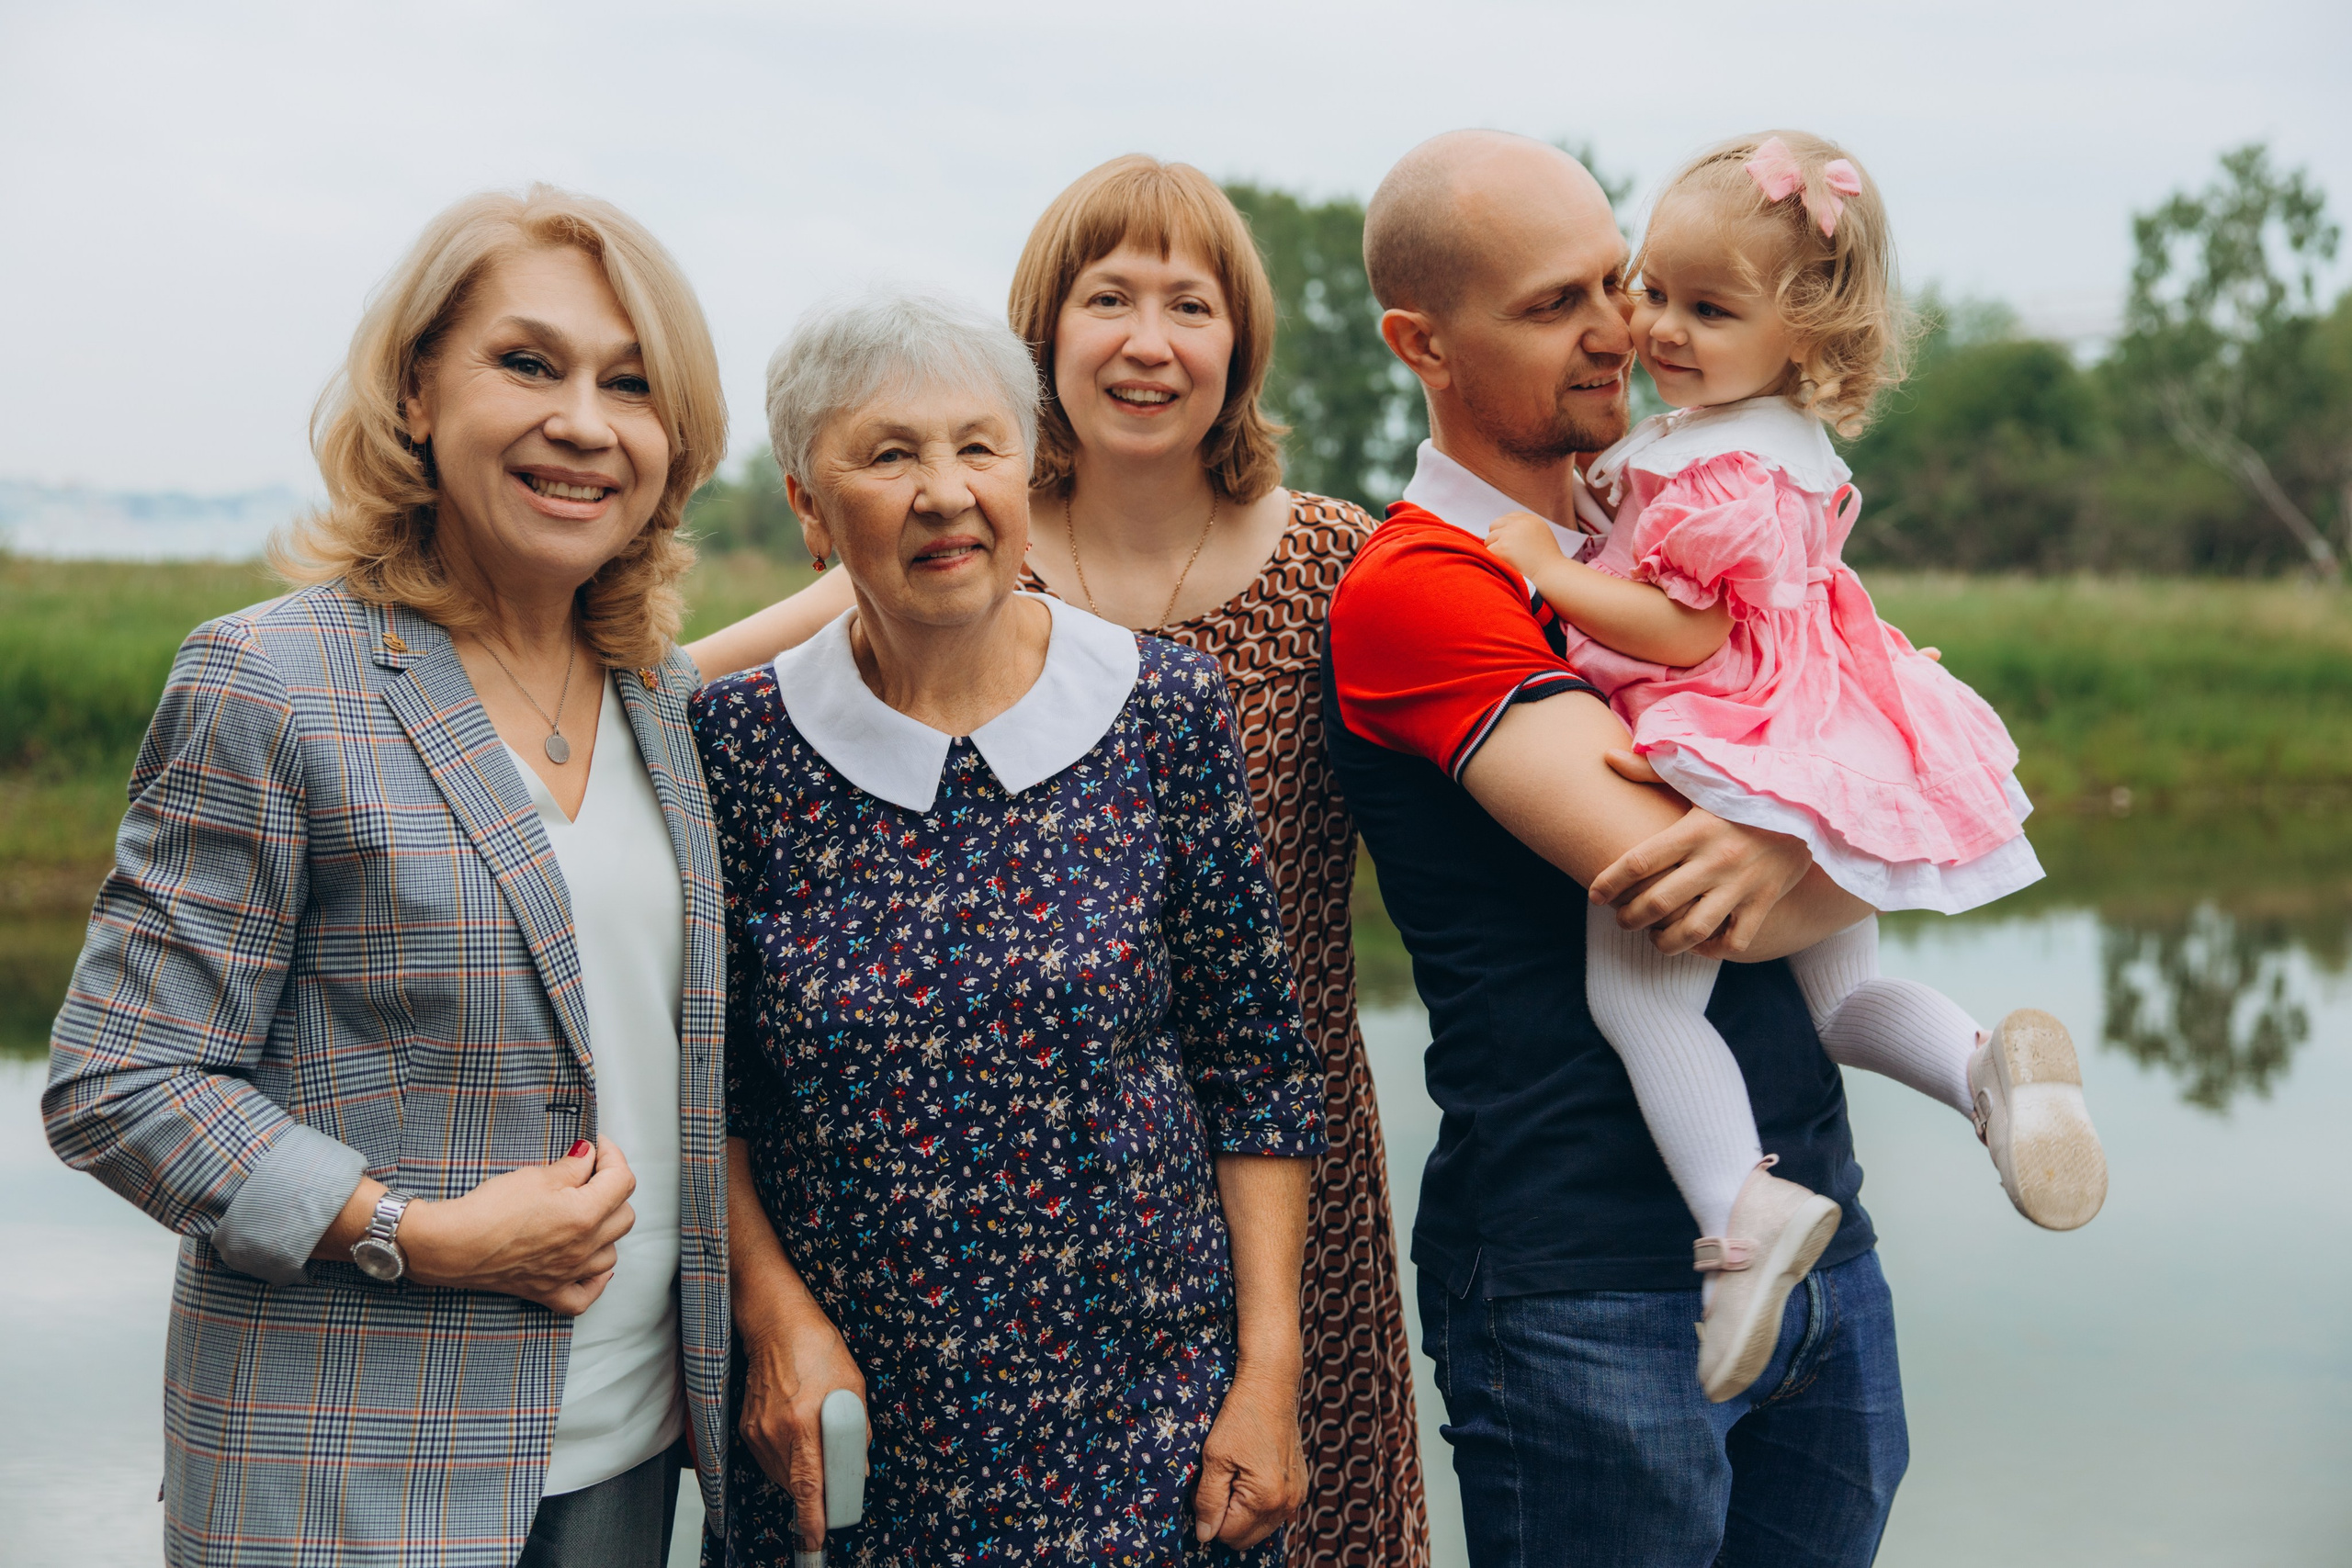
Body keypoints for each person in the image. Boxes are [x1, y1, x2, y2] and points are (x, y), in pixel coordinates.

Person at [689, 155, 1431, 1566]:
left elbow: (1258, 1054)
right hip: (856, 1416)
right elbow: (702, 1076)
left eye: (977, 450)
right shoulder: (741, 744)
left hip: (1164, 1385)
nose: (943, 493)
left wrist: (1268, 1373)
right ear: (808, 503)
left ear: (1022, 464)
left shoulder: (1186, 686)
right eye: (889, 457)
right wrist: (771, 1324)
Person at [42, 186, 732, 1568]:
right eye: (528, 364)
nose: (585, 422)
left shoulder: (655, 694)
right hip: (353, 1479)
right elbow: (119, 1083)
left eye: (632, 385)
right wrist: (420, 1234)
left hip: (633, 1451)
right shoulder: (274, 680)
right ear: (418, 389)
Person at [1326, 130, 1905, 1566]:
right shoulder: (1425, 586)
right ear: (1422, 343)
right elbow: (1695, 891)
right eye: (1551, 305)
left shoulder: (1686, 515)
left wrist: (1837, 828)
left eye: (1617, 280)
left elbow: (1857, 752)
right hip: (1589, 1285)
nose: (1618, 332)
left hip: (1819, 1240)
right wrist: (1873, 836)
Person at [1480, 130, 2109, 1403]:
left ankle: (1740, 1213)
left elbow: (1693, 628)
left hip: (1734, 729)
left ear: (1806, 338)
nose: (1656, 327)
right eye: (1651, 290)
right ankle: (1987, 1070)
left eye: (1708, 309)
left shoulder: (1709, 466)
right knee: (1842, 1007)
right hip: (1829, 728)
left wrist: (1550, 573)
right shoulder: (1779, 446)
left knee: (1646, 1002)